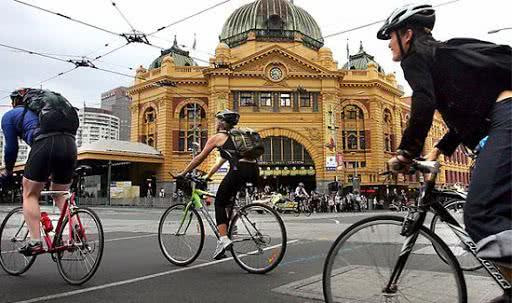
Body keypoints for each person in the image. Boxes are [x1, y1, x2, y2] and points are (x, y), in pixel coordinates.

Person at [378, 3, 512, 299]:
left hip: (507, 116)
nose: (389, 44)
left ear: (407, 35)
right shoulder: (441, 60)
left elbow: (422, 106)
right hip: (502, 116)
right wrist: (437, 149)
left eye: (391, 36)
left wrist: (405, 152)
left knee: (480, 214)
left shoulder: (414, 61)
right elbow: (470, 111)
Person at [0, 88, 78, 255]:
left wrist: (8, 171)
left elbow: (11, 149)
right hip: (70, 144)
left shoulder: (9, 116)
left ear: (14, 102)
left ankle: (35, 241)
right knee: (60, 193)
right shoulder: (49, 113)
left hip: (45, 145)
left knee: (30, 193)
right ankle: (75, 232)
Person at [176, 109, 259, 260]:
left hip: (239, 170)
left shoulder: (217, 137)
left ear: (221, 123)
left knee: (219, 202)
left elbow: (199, 158)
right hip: (253, 170)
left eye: (217, 120)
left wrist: (183, 173)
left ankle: (224, 238)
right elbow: (219, 163)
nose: (216, 123)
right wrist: (208, 176)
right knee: (228, 203)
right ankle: (227, 232)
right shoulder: (236, 139)